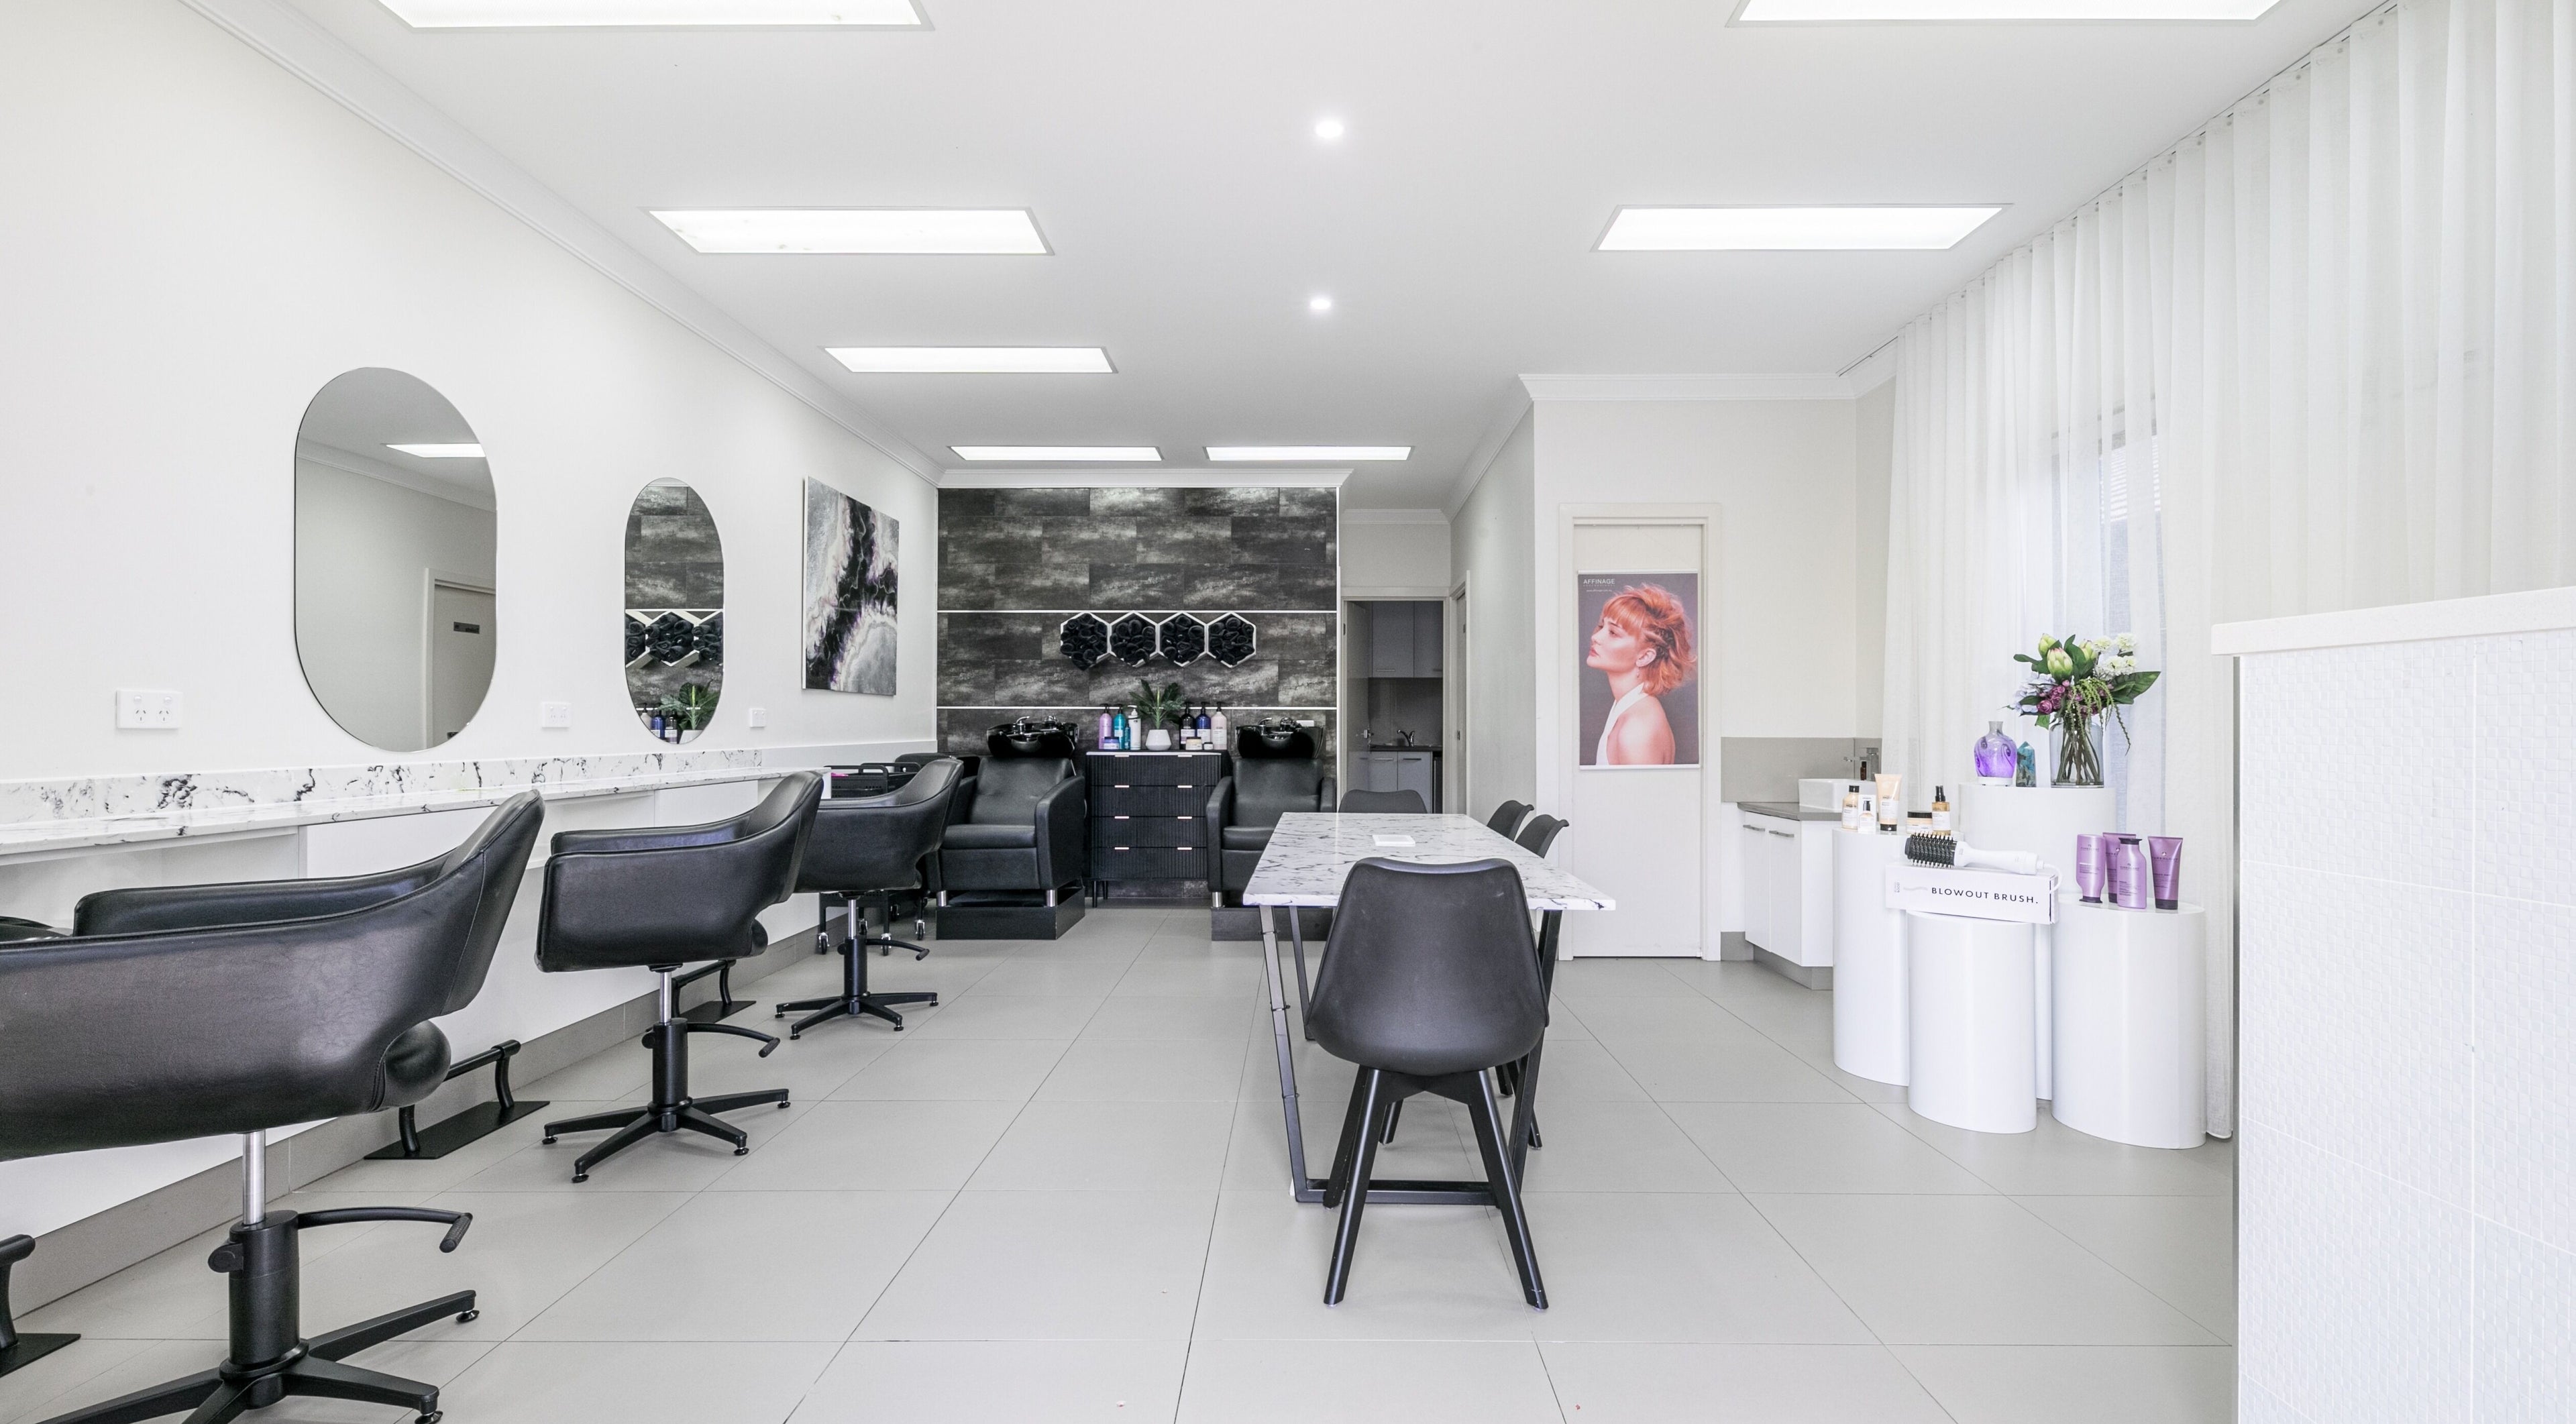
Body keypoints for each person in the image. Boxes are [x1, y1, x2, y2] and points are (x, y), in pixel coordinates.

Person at [1586, 584, 1695, 765]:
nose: (1595, 637)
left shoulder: (1637, 728)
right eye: (1601, 626)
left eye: (1613, 632)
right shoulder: (1630, 707)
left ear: (1644, 657)